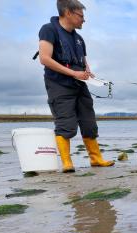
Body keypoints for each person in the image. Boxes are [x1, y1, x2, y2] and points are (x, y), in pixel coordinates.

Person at [37, 0, 114, 173]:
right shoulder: (49, 30)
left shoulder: (79, 38)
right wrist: (73, 74)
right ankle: (66, 163)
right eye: (81, 16)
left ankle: (96, 159)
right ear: (68, 12)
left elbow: (84, 63)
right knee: (66, 124)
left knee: (89, 123)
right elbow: (45, 58)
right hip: (59, 84)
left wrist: (88, 73)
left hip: (80, 84)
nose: (83, 20)